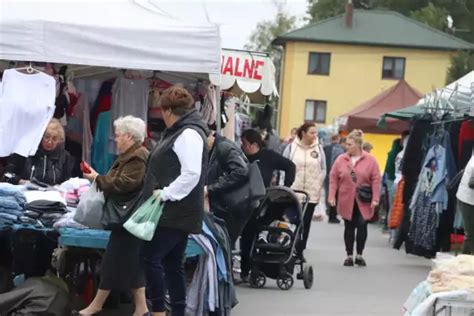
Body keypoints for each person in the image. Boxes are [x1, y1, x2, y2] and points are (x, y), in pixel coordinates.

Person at [141, 86, 208, 316]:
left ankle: (159, 311)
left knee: (151, 258)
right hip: (179, 211)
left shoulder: (187, 133)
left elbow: (191, 174)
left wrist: (166, 193)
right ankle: (176, 312)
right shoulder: (183, 130)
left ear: (168, 111)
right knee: (172, 265)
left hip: (175, 210)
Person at [77, 116, 149, 316]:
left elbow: (124, 184)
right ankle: (141, 309)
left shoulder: (137, 156)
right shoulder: (133, 154)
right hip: (129, 218)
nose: (115, 140)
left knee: (112, 261)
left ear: (129, 136)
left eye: (118, 136)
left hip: (128, 217)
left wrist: (96, 178)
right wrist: (99, 177)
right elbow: (120, 180)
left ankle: (97, 305)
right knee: (130, 262)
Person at [239, 129, 296, 281]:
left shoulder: (268, 156)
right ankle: (245, 270)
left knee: (261, 232)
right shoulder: (240, 156)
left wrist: (285, 188)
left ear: (254, 144)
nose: (242, 146)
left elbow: (290, 166)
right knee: (246, 236)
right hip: (244, 201)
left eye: (244, 143)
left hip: (264, 202)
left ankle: (261, 266)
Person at [329, 130, 381, 267]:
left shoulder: (370, 160)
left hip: (364, 198)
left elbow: (376, 179)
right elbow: (333, 178)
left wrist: (376, 198)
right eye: (346, 144)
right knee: (349, 226)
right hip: (346, 198)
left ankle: (360, 254)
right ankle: (349, 255)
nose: (347, 147)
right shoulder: (341, 159)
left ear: (358, 145)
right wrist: (331, 196)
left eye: (350, 144)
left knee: (362, 224)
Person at [283, 122, 326, 258]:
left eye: (316, 133)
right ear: (303, 133)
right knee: (293, 221)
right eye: (312, 132)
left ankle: (300, 250)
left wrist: (319, 182)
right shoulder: (291, 148)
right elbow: (284, 166)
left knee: (305, 222)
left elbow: (323, 168)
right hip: (293, 191)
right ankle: (290, 247)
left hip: (311, 193)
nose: (315, 135)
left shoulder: (319, 148)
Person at [206, 131, 249, 244]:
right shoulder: (214, 149)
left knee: (225, 244)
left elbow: (241, 171)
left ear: (211, 136)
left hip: (230, 207)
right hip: (225, 206)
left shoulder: (224, 147)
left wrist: (211, 188)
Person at [19, 118, 76, 185]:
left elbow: (67, 182)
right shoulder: (28, 152)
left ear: (59, 140)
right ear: (41, 136)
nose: (49, 142)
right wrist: (21, 182)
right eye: (47, 137)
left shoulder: (65, 157)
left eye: (54, 139)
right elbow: (11, 175)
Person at [323, 134, 345, 224]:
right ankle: (333, 214)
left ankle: (329, 209)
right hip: (336, 175)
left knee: (328, 192)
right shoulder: (340, 151)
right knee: (335, 194)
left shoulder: (325, 148)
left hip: (327, 173)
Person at [456, 151, 474, 254]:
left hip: (467, 198)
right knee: (471, 234)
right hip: (468, 199)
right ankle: (464, 262)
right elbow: (472, 182)